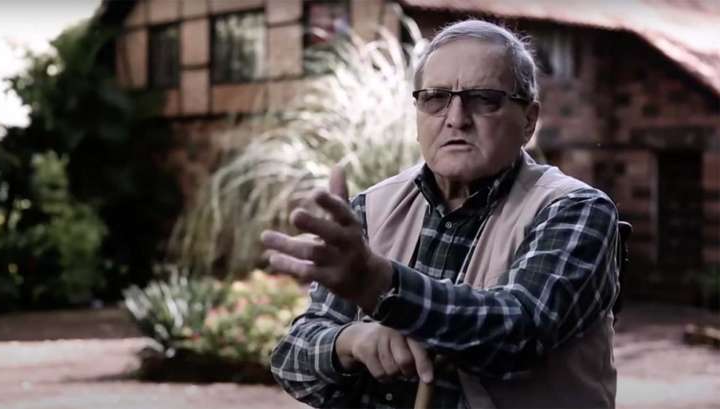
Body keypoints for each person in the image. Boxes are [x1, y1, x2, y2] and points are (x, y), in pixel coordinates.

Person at [263, 19, 619, 409]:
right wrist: (348, 343)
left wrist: (380, 285)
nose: (456, 118)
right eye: (435, 97)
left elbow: (519, 333)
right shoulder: (369, 208)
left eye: (483, 98)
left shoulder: (576, 209)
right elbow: (291, 362)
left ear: (529, 121)